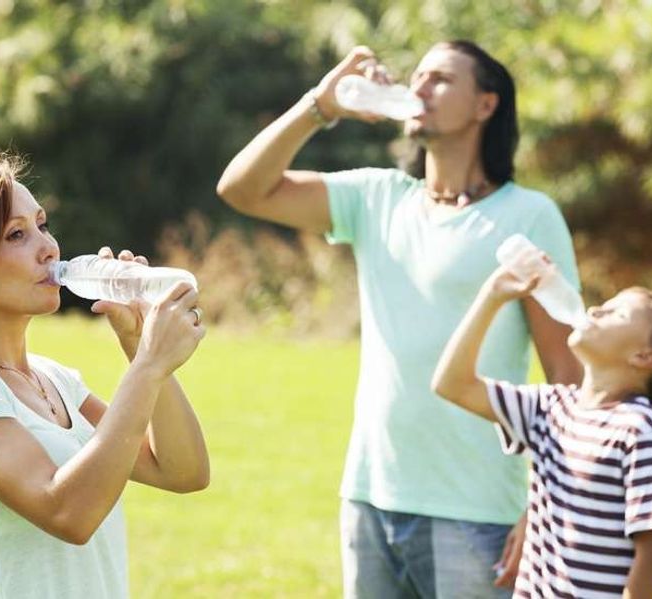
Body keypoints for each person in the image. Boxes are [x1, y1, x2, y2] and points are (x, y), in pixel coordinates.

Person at [217, 41, 583, 597]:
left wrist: (545, 508)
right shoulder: (377, 197)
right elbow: (242, 189)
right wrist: (322, 104)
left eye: (440, 79)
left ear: (486, 105)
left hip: (476, 508)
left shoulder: (530, 216)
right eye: (417, 76)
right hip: (370, 497)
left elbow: (567, 376)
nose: (419, 88)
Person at [0, 154, 209, 598]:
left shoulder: (54, 380)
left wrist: (137, 346)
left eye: (42, 224)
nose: (49, 247)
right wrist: (149, 365)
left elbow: (182, 470)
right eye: (17, 234)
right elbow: (68, 513)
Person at [431, 263, 652, 597]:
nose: (595, 309)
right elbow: (452, 384)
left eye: (616, 313)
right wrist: (492, 296)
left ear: (643, 356)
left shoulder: (640, 432)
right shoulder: (549, 408)